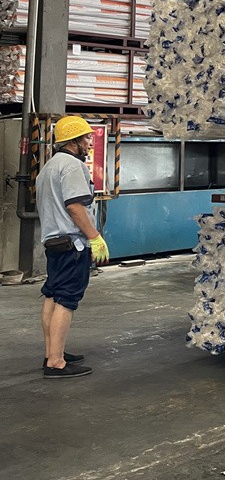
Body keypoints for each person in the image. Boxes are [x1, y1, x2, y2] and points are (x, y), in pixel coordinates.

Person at [37, 116, 111, 379]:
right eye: (87, 137)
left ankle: (52, 352)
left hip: (54, 242)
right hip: (72, 244)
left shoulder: (49, 167)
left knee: (52, 295)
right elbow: (75, 206)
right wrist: (94, 237)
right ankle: (56, 363)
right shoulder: (72, 166)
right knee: (67, 299)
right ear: (74, 140)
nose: (90, 142)